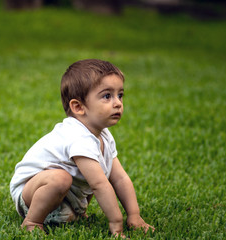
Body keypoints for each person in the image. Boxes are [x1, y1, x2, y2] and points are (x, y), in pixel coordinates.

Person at [10, 59, 155, 237]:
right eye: (107, 96)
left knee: (100, 168)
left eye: (120, 95)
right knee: (62, 178)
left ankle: (74, 214)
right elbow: (100, 185)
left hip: (63, 198)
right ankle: (32, 221)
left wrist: (134, 216)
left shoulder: (104, 134)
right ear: (78, 107)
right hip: (31, 194)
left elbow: (120, 178)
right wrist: (116, 223)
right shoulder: (77, 137)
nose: (117, 103)